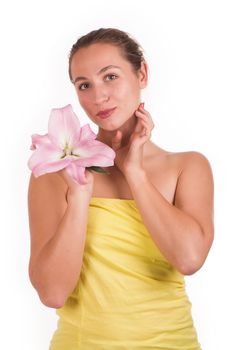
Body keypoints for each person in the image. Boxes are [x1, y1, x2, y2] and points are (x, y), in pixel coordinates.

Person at [28, 28, 214, 349]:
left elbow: (189, 259)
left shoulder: (187, 167)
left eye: (110, 77)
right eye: (84, 85)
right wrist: (79, 197)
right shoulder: (56, 172)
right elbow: (53, 293)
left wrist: (135, 174)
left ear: (141, 73)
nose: (98, 96)